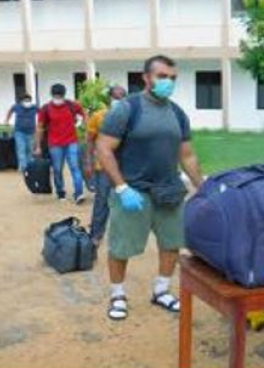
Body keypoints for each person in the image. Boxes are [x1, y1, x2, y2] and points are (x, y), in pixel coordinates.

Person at [97, 55, 204, 321]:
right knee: (121, 247)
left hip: (169, 191)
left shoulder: (177, 113)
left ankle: (161, 290)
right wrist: (121, 188)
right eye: (162, 76)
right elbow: (103, 148)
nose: (168, 82)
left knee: (171, 243)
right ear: (146, 78)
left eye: (173, 78)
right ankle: (118, 294)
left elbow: (187, 155)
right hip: (134, 192)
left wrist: (202, 186)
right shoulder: (128, 108)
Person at [85, 85, 127, 247]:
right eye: (115, 97)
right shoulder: (98, 116)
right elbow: (89, 140)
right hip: (103, 167)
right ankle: (96, 234)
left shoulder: (130, 118)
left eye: (121, 97)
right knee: (102, 200)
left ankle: (123, 235)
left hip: (125, 167)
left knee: (124, 202)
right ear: (109, 99)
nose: (118, 100)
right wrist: (87, 161)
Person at [35, 83, 88, 204]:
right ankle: (61, 193)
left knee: (75, 167)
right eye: (56, 95)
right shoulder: (46, 109)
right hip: (55, 144)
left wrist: (86, 128)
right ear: (52, 95)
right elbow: (40, 127)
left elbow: (84, 114)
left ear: (64, 95)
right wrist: (38, 146)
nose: (58, 98)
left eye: (60, 95)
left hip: (71, 142)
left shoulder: (72, 105)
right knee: (58, 169)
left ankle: (79, 193)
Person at [5, 93, 38, 171]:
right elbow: (10, 111)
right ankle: (23, 166)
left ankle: (29, 165)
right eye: (25, 100)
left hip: (31, 131)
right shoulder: (16, 106)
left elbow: (42, 113)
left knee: (29, 149)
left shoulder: (34, 107)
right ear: (21, 101)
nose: (27, 102)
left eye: (29, 100)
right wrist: (7, 120)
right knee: (21, 148)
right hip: (19, 131)